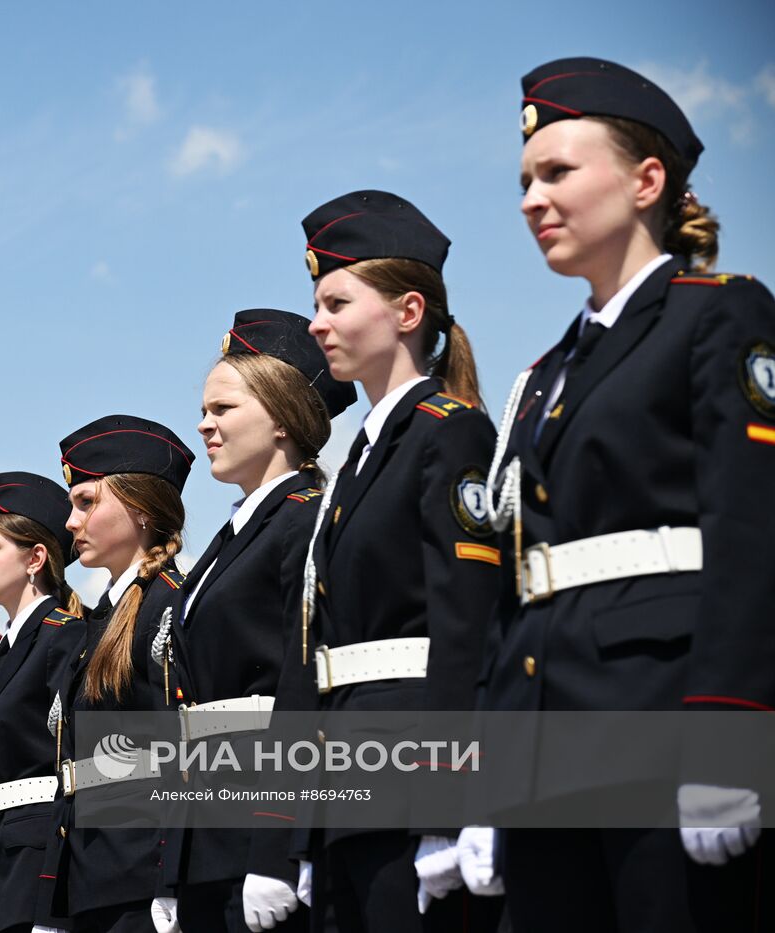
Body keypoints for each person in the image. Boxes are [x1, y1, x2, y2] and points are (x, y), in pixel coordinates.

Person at [471, 57, 775, 933]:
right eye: (526, 180)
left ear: (648, 181)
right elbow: (514, 593)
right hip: (547, 747)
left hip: (664, 723)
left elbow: (751, 535)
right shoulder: (544, 376)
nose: (533, 198)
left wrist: (731, 732)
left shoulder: (718, 314)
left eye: (558, 172)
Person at [284, 190, 502, 933]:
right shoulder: (356, 463)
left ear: (408, 312)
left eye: (336, 301)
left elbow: (466, 625)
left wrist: (449, 803)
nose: (317, 323)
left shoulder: (449, 430)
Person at [161, 309, 356, 933]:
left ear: (279, 418)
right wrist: (173, 865)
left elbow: (303, 689)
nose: (204, 424)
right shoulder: (230, 537)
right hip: (209, 828)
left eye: (223, 409)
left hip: (255, 827)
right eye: (204, 409)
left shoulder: (304, 520)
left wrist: (276, 848)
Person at [42, 414, 195, 933]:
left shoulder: (171, 606)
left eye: (87, 501)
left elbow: (189, 756)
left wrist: (171, 881)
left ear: (140, 508)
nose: (70, 522)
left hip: (141, 880)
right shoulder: (100, 619)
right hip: (95, 878)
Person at [0, 472, 85, 933]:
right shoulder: (6, 655)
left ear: (35, 558)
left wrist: (53, 903)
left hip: (33, 870)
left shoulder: (64, 638)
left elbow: (75, 776)